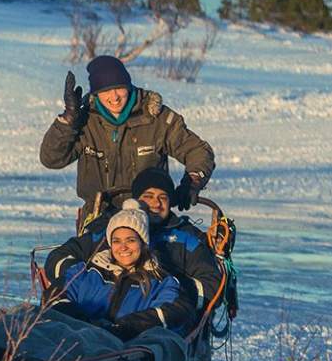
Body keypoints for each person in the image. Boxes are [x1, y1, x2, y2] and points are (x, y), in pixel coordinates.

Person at [42, 170, 229, 361]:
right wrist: (84, 273)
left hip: (149, 312)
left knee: (146, 346)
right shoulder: (103, 235)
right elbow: (57, 259)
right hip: (98, 301)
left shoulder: (186, 240)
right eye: (148, 195)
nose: (155, 202)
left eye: (163, 196)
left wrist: (173, 289)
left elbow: (209, 284)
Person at [41, 55, 216, 231]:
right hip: (99, 218)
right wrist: (68, 120)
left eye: (119, 88)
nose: (114, 97)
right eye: (106, 90)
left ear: (128, 85)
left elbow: (198, 151)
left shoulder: (156, 118)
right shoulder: (86, 121)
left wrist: (192, 182)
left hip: (150, 217)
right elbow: (52, 159)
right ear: (96, 93)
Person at [51, 201, 192, 339]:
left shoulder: (160, 282)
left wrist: (126, 327)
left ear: (143, 244)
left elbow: (174, 310)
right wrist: (81, 322)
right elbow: (55, 296)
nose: (123, 247)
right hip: (76, 342)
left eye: (130, 240)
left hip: (126, 350)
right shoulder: (87, 273)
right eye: (116, 241)